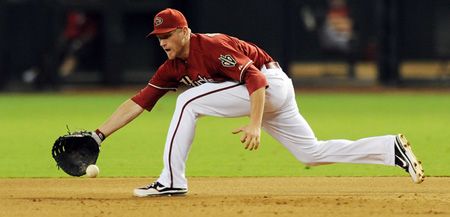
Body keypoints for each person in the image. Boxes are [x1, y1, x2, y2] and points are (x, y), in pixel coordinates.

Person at [91, 8, 424, 197]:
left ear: (185, 32)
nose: (163, 41)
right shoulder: (172, 66)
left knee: (189, 101)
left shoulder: (212, 46)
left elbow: (256, 80)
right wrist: (98, 135)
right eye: (158, 37)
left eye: (168, 35)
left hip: (269, 86)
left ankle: (172, 181)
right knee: (311, 153)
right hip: (265, 93)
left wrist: (254, 123)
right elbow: (138, 101)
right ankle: (389, 148)